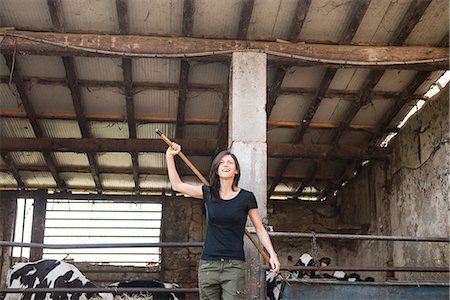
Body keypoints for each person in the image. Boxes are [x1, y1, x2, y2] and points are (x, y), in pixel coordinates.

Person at [166, 143, 280, 299]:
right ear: (216, 169)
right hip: (208, 265)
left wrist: (272, 254)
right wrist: (170, 156)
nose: (225, 165)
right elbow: (177, 185)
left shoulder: (246, 198)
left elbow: (259, 229)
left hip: (234, 266)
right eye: (221, 162)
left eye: (230, 162)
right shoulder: (208, 192)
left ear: (236, 170)